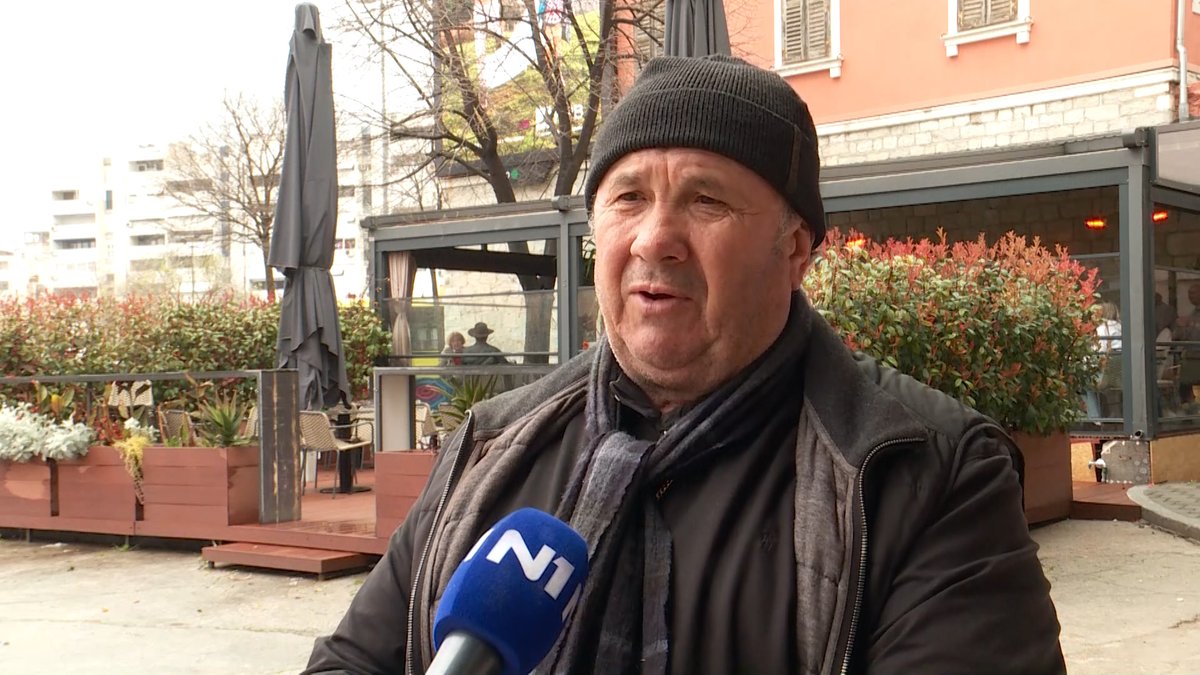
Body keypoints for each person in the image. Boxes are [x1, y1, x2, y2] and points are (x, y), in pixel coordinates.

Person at [305, 55, 1064, 674]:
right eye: (628, 198)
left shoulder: (927, 475)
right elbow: (353, 661)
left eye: (706, 202)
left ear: (795, 249)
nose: (654, 238)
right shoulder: (490, 448)